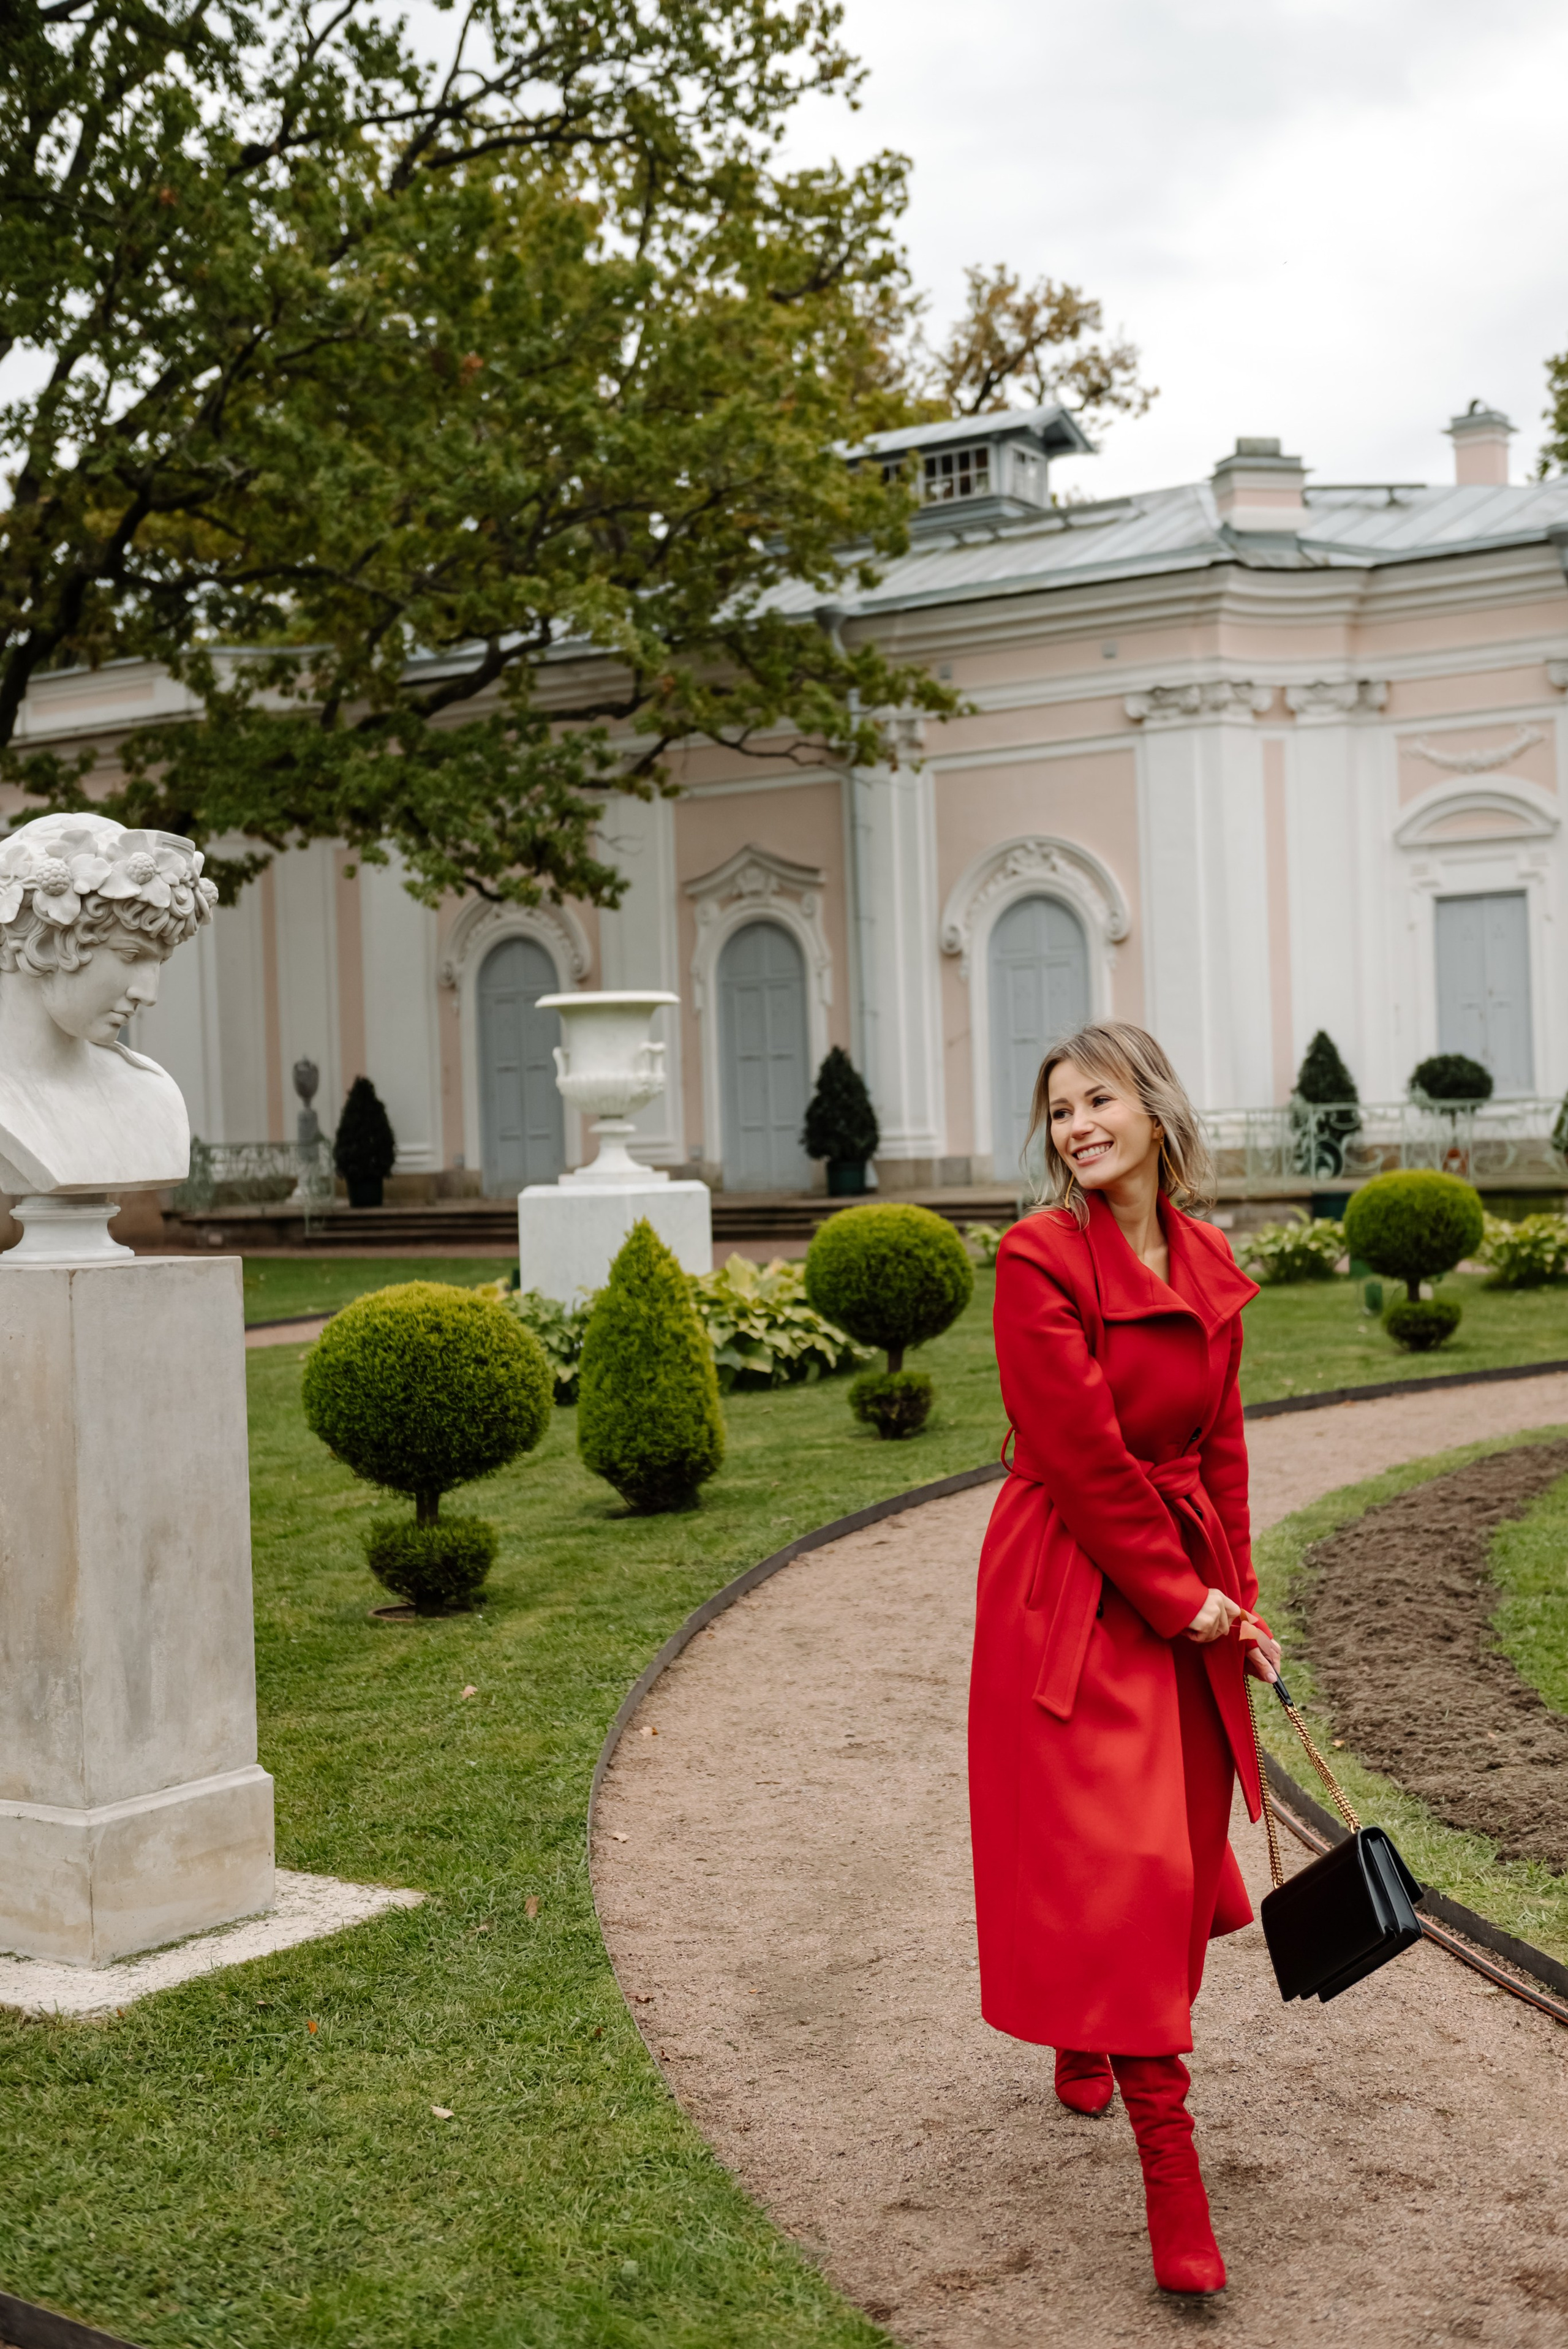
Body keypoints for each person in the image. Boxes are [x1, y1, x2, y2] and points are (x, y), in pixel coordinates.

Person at [968, 1020, 1281, 2298]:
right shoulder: (1038, 1258)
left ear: (1153, 1110)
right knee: (1125, 1851)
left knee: (1165, 1838)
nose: (1076, 1126)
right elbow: (1085, 1457)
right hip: (1069, 1585)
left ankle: (1088, 2022)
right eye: (1056, 1112)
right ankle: (1171, 2172)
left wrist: (1241, 1605)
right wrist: (1177, 1597)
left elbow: (1219, 1453)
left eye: (1095, 1100)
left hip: (1181, 1573)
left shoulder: (1207, 1261)